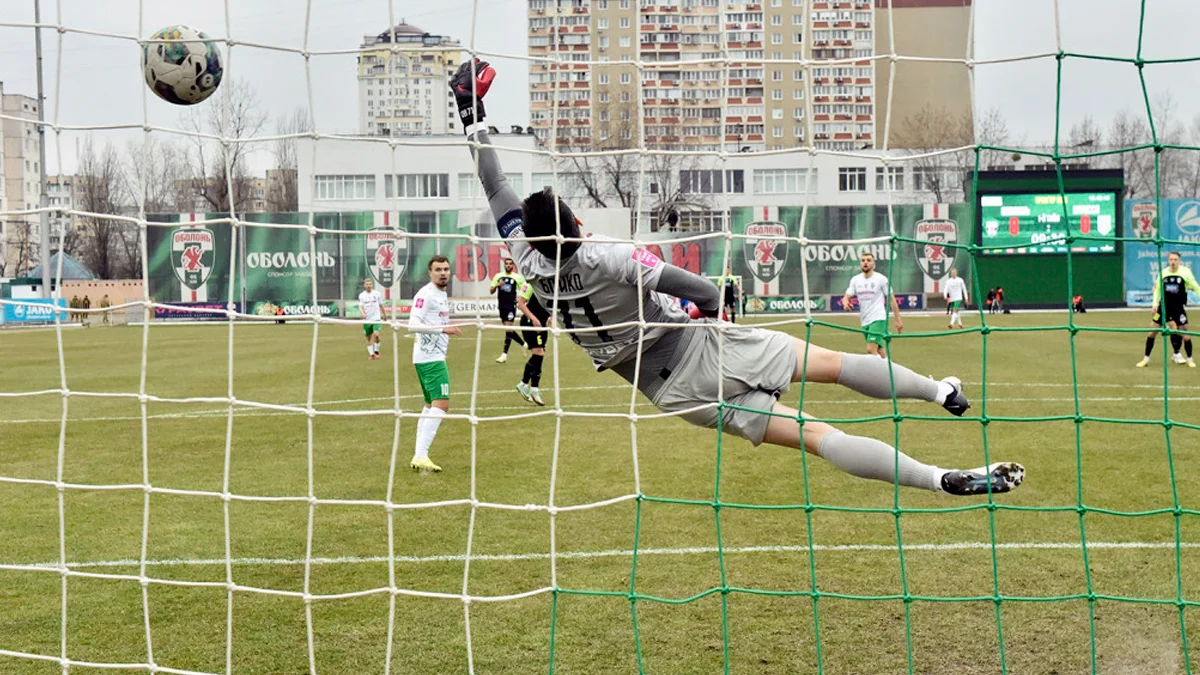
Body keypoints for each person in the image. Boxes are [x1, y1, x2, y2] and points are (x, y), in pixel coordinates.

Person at [450, 59, 1024, 497]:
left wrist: (469, 111)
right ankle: (940, 391)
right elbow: (701, 291)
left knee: (816, 437)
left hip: (668, 393)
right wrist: (710, 312)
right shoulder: (611, 255)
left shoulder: (526, 257)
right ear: (576, 222)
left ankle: (938, 478)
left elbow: (494, 183)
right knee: (835, 365)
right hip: (697, 347)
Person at [408, 256, 462, 472]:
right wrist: (443, 329)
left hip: (429, 356)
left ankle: (419, 455)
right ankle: (421, 455)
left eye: (446, 269)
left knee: (430, 405)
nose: (443, 273)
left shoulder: (440, 294)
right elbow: (412, 325)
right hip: (430, 358)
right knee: (441, 404)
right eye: (438, 270)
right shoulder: (426, 294)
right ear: (429, 273)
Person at [1136, 251, 1199, 369]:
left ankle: (1189, 359)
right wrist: (1154, 304)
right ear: (1168, 261)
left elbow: (1195, 286)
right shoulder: (1163, 273)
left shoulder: (1185, 272)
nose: (1173, 262)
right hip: (1163, 308)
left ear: (1179, 261)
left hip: (1178, 308)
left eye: (1176, 259)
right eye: (1171, 259)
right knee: (1152, 332)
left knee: (1185, 335)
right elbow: (1157, 289)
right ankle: (1145, 359)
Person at [842, 253, 903, 359]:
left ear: (874, 264)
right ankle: (888, 368)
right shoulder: (855, 280)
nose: (865, 262)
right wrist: (845, 304)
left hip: (878, 318)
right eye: (863, 260)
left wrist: (898, 320)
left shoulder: (881, 279)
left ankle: (879, 369)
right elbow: (846, 297)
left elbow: (892, 299)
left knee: (871, 349)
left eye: (868, 260)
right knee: (879, 350)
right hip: (865, 320)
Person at [515, 278, 551, 406]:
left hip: (542, 323)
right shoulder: (530, 284)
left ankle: (532, 387)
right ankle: (526, 385)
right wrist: (534, 319)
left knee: (540, 355)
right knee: (538, 353)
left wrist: (550, 317)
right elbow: (520, 303)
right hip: (530, 323)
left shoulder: (549, 285)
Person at [489, 256, 526, 363]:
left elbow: (525, 288)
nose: (508, 265)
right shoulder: (498, 276)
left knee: (508, 328)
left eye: (510, 264)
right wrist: (497, 285)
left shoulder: (517, 277)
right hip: (502, 306)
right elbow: (491, 291)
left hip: (511, 306)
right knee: (508, 329)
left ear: (513, 266)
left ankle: (504, 354)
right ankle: (524, 344)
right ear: (504, 265)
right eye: (507, 264)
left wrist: (521, 298)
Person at [359, 279, 384, 360]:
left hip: (376, 319)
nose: (368, 286)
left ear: (372, 285)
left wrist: (384, 315)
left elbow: (381, 305)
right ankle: (371, 354)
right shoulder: (362, 295)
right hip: (367, 320)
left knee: (376, 334)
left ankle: (376, 351)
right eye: (367, 284)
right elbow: (360, 307)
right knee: (368, 338)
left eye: (370, 284)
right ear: (364, 285)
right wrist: (363, 313)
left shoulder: (377, 294)